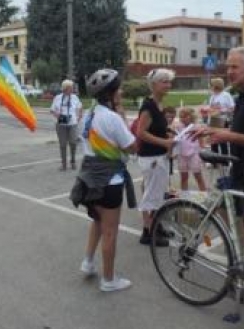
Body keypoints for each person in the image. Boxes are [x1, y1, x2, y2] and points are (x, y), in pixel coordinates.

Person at [196, 47, 244, 295]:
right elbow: (240, 126)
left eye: (234, 67)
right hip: (241, 169)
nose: (228, 72)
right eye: (227, 67)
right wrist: (211, 128)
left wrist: (227, 134)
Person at [70, 69, 137, 292]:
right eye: (119, 88)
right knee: (110, 231)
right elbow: (132, 146)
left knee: (97, 221)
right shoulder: (112, 118)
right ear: (111, 93)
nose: (122, 91)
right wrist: (124, 117)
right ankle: (109, 280)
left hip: (88, 177)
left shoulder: (88, 114)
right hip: (110, 180)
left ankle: (87, 263)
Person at [135, 68, 176, 246]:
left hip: (158, 156)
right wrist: (164, 143)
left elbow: (154, 128)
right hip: (151, 158)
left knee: (157, 193)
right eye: (164, 81)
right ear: (153, 85)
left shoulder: (158, 105)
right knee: (151, 195)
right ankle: (147, 232)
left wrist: (168, 131)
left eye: (169, 81)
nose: (168, 84)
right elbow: (141, 133)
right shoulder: (148, 106)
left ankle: (155, 226)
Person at [50, 79, 83, 171]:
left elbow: (80, 107)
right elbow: (52, 110)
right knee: (63, 144)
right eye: (70, 87)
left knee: (73, 142)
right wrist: (58, 115)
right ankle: (64, 164)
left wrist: (79, 115)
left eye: (72, 87)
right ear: (65, 88)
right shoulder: (58, 98)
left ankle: (73, 161)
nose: (72, 89)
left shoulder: (75, 97)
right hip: (61, 123)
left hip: (72, 123)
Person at [175, 107, 207, 194]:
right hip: (182, 154)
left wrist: (203, 150)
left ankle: (204, 195)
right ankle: (184, 195)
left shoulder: (196, 127)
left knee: (198, 176)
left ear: (191, 116)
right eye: (181, 117)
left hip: (194, 154)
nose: (182, 119)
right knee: (183, 177)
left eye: (185, 116)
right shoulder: (178, 126)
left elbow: (201, 140)